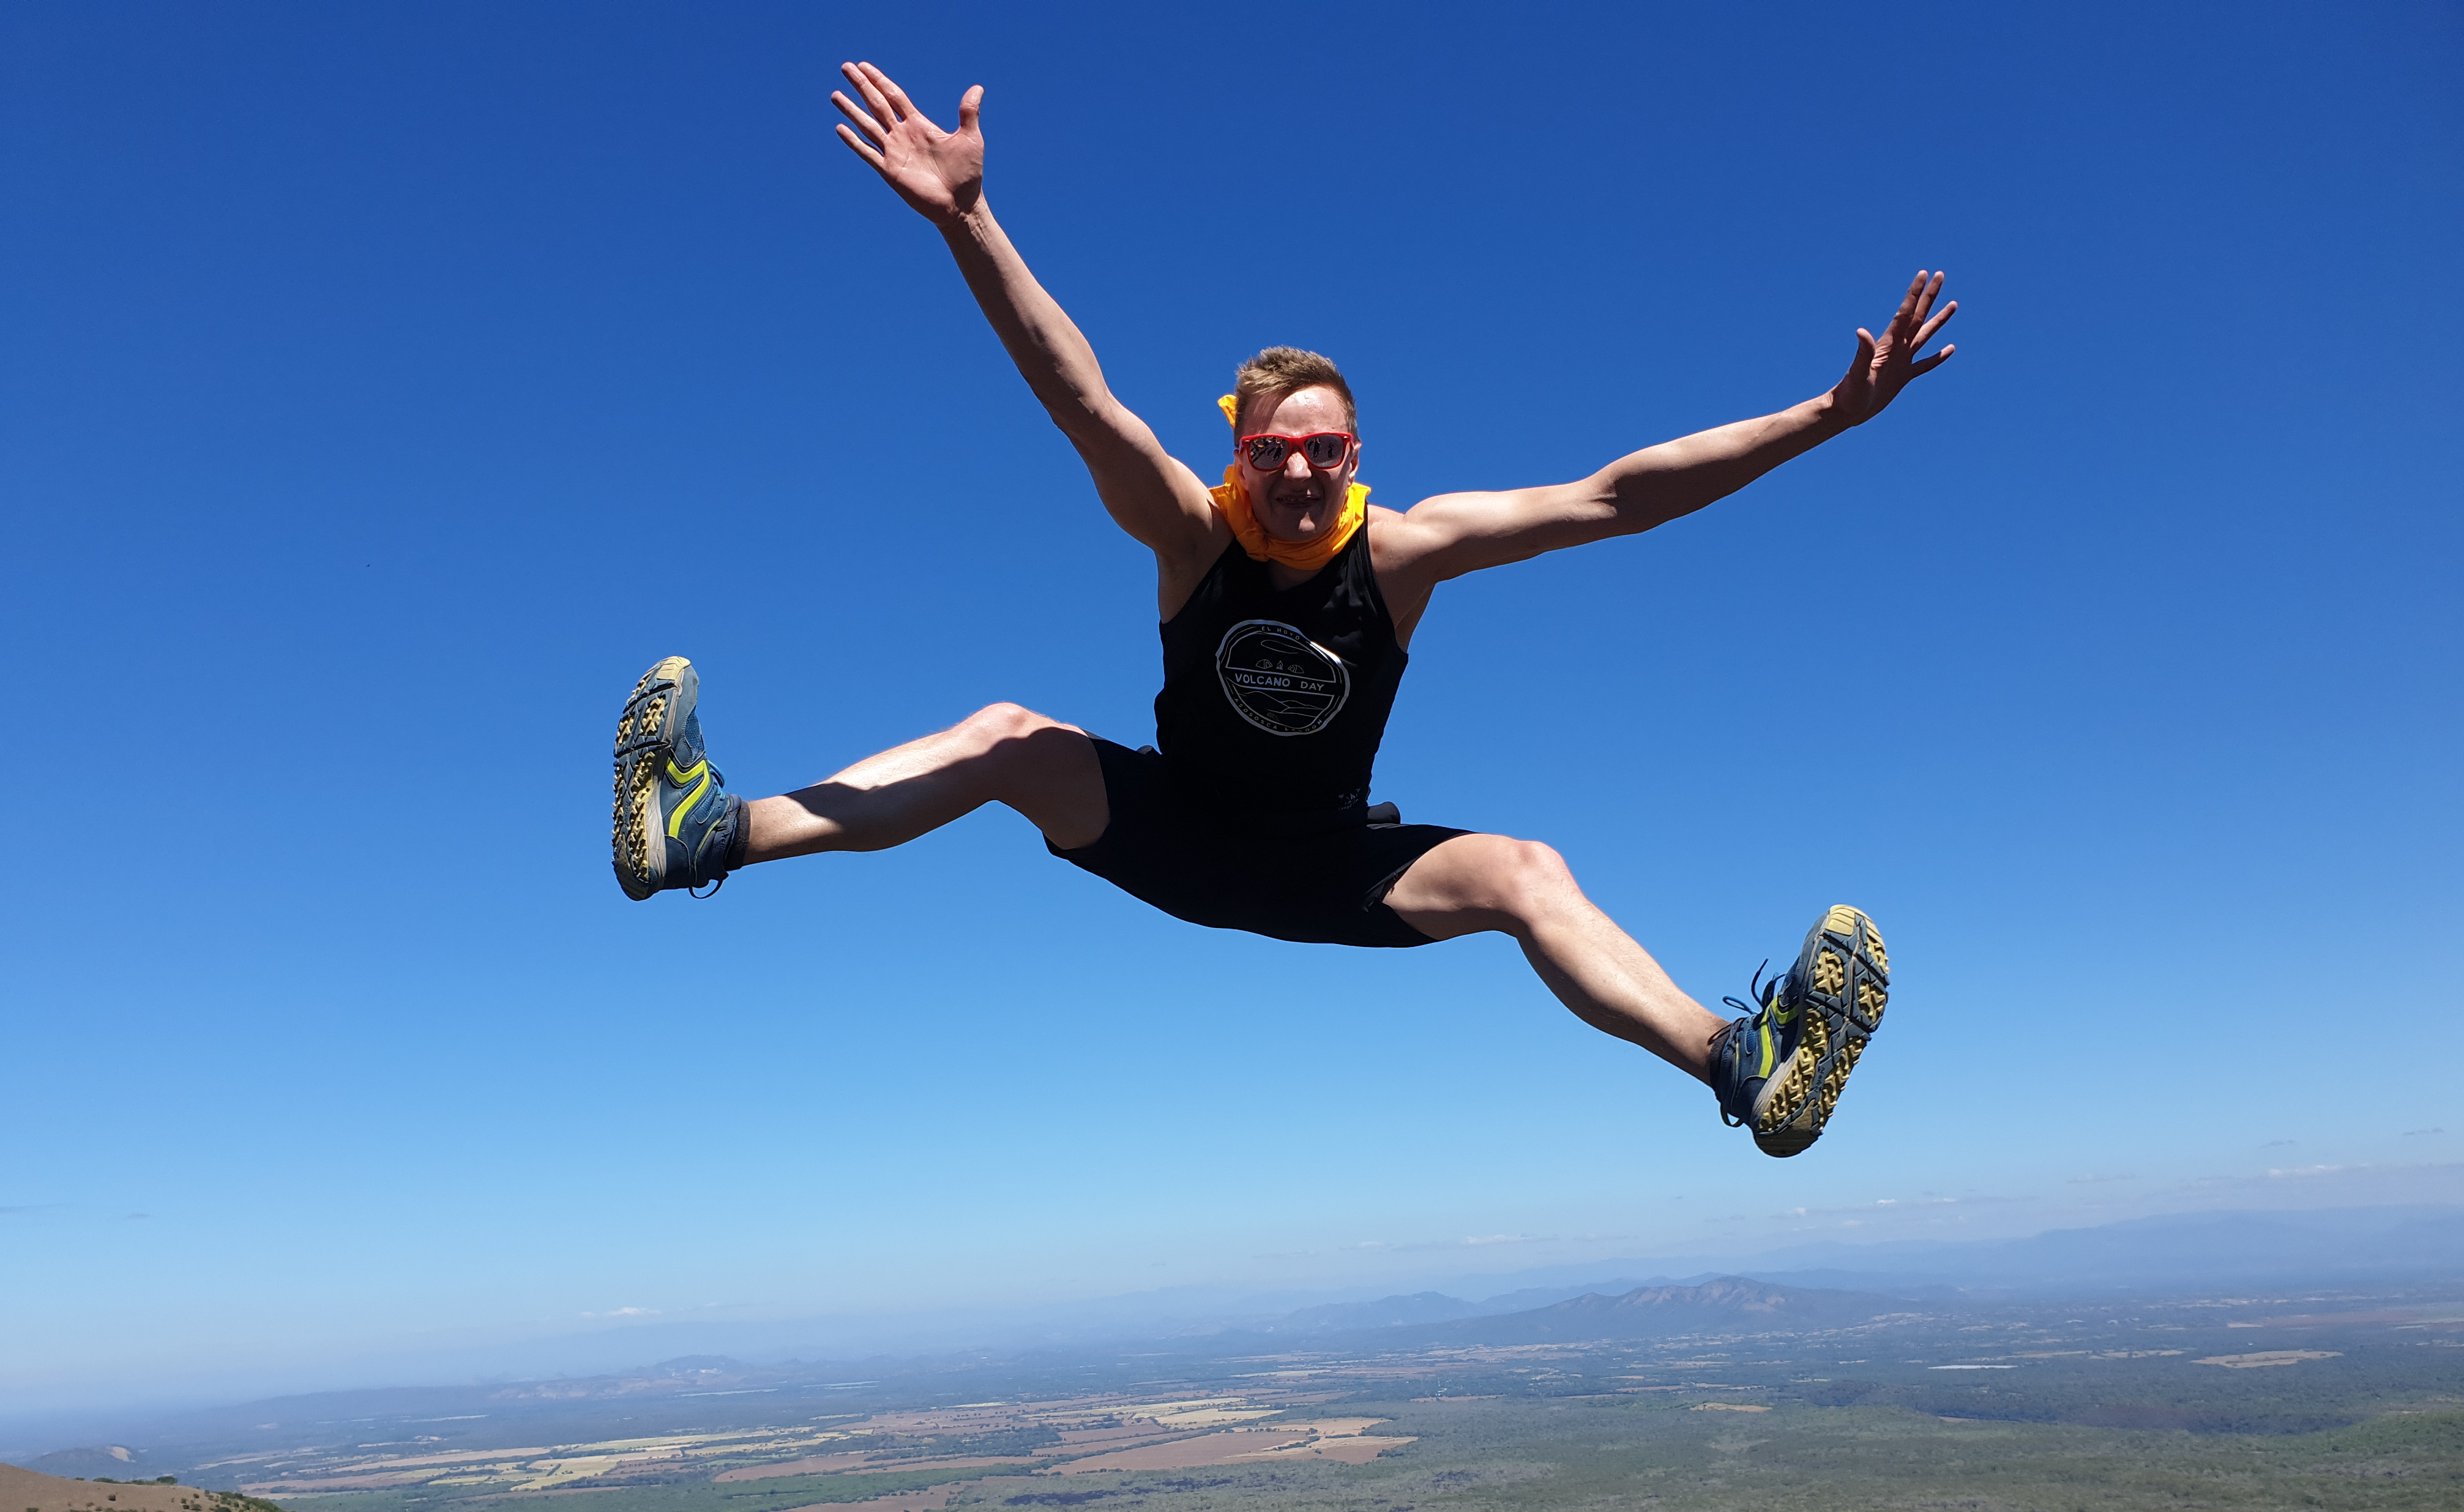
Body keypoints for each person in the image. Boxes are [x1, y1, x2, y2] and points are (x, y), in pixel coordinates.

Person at [610, 61, 1957, 1158]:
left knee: (1526, 873)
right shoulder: (1195, 541)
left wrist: (1827, 417)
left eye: (1325, 448)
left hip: (1324, 860)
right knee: (1009, 738)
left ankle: (1746, 1065)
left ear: (1358, 456)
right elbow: (1084, 400)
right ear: (1239, 457)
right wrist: (970, 223)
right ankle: (703, 830)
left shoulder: (1410, 554)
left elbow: (1616, 499)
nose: (1300, 468)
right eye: (1273, 449)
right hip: (1179, 833)